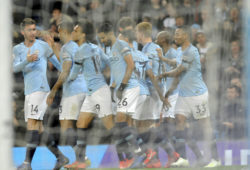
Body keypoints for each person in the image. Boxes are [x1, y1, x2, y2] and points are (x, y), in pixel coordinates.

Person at [159, 26, 221, 168]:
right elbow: (177, 68)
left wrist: (164, 75)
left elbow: (179, 70)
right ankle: (183, 157)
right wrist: (169, 92)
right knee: (179, 121)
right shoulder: (180, 51)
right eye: (174, 34)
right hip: (184, 95)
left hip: (197, 94)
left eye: (178, 34)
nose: (175, 36)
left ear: (185, 36)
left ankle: (216, 159)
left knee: (205, 126)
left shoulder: (192, 51)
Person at [13, 18, 68, 170]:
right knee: (39, 129)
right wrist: (27, 61)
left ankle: (26, 164)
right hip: (29, 91)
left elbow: (58, 65)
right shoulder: (18, 49)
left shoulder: (43, 46)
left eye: (34, 29)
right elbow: (15, 68)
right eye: (30, 30)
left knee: (32, 124)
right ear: (23, 31)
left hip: (40, 89)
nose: (33, 32)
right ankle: (60, 157)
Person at [64, 20, 115, 169]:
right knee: (81, 123)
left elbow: (73, 74)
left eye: (75, 31)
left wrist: (63, 82)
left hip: (99, 92)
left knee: (109, 126)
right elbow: (108, 63)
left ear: (83, 34)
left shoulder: (80, 51)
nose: (73, 33)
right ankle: (81, 161)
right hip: (92, 92)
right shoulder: (96, 47)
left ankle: (133, 152)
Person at [97, 21, 141, 169]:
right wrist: (112, 89)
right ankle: (130, 157)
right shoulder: (110, 50)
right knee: (119, 125)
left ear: (110, 34)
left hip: (130, 87)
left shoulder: (122, 45)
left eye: (103, 37)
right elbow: (116, 72)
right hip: (118, 90)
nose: (102, 40)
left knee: (121, 119)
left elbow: (130, 65)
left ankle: (139, 149)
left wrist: (122, 86)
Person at [45, 21, 88, 147]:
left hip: (72, 92)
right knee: (74, 125)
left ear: (64, 31)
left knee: (65, 125)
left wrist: (53, 91)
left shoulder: (67, 47)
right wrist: (53, 46)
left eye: (59, 32)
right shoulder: (75, 46)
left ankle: (81, 157)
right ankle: (81, 157)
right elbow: (62, 63)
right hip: (83, 88)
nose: (59, 34)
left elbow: (65, 71)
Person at [155, 30, 181, 168]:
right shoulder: (162, 53)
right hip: (165, 94)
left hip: (173, 93)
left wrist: (169, 92)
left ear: (163, 39)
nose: (156, 39)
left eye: (158, 37)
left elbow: (178, 74)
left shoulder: (172, 53)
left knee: (170, 124)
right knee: (164, 125)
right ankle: (174, 155)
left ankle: (177, 155)